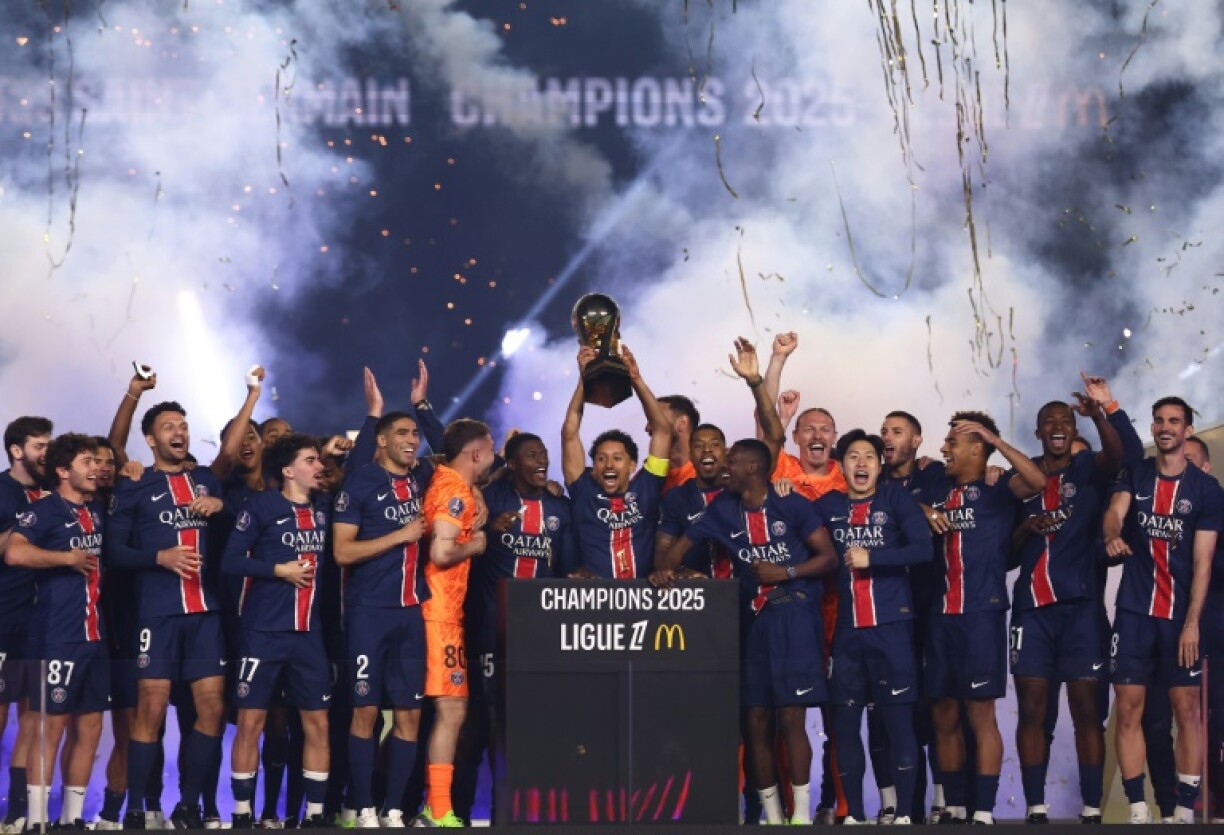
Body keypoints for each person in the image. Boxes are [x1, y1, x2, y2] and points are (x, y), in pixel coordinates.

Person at [656, 436, 837, 825]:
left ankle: (800, 817)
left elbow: (828, 558)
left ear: (753, 468)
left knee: (791, 718)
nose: (724, 465)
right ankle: (773, 817)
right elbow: (684, 544)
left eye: (732, 461)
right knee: (754, 719)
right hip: (753, 622)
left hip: (795, 619)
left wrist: (786, 572)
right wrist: (665, 569)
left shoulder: (792, 505)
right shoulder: (722, 509)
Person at [1008, 375, 1125, 824]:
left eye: (1063, 421)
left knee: (1085, 713)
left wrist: (1097, 413)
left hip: (1082, 613)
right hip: (1032, 612)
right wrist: (1025, 528)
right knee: (1034, 710)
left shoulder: (1089, 472)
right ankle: (1036, 808)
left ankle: (1092, 809)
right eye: (1048, 422)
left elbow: (1116, 454)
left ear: (1072, 431)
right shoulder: (1022, 483)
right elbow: (1005, 555)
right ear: (1037, 433)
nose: (1057, 426)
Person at [107, 400, 228, 829]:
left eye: (183, 425)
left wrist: (219, 504)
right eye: (168, 426)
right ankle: (138, 808)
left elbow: (232, 513)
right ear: (151, 439)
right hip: (156, 613)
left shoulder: (207, 480)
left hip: (204, 613)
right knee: (151, 708)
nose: (179, 432)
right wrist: (158, 556)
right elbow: (113, 551)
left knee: (212, 710)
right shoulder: (134, 484)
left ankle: (189, 805)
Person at [919, 412, 1044, 824]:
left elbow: (1038, 482)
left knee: (980, 714)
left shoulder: (999, 487)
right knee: (943, 712)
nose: (944, 448)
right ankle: (954, 805)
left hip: (981, 614)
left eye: (953, 442)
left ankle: (985, 810)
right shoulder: (936, 483)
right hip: (940, 615)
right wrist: (920, 505)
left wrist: (997, 441)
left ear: (977, 448)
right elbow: (894, 493)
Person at [1103, 396, 1223, 824]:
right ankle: (1138, 810)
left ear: (1188, 430)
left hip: (1178, 619)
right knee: (1130, 707)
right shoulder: (1134, 474)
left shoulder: (1207, 491)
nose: (1165, 427)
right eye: (1159, 420)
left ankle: (1185, 813)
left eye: (1174, 421)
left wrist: (1193, 623)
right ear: (1153, 428)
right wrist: (1113, 535)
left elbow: (1203, 563)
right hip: (1134, 612)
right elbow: (1114, 515)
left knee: (1187, 710)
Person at [452, 432, 574, 823]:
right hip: (488, 631)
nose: (541, 461)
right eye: (531, 455)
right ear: (513, 463)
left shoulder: (560, 507)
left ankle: (518, 816)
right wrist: (488, 532)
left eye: (544, 455)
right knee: (478, 729)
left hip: (538, 638)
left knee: (526, 731)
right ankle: (459, 812)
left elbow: (567, 568)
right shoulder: (492, 501)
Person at [815, 430, 932, 825]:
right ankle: (856, 816)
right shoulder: (827, 505)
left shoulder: (896, 499)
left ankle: (901, 815)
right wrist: (780, 487)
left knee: (899, 723)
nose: (861, 464)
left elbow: (923, 549)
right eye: (852, 457)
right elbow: (794, 528)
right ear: (840, 464)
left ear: (880, 465)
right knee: (846, 726)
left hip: (893, 629)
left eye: (869, 456)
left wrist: (874, 557)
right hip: (848, 635)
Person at [222, 435, 334, 829]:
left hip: (309, 635)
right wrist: (277, 570)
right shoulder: (261, 506)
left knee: (317, 724)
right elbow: (231, 561)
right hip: (263, 633)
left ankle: (316, 816)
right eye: (310, 460)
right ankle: (241, 814)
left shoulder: (324, 509)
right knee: (251, 723)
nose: (318, 465)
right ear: (288, 471)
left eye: (319, 459)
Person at [331, 409, 430, 829]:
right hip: (368, 613)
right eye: (403, 433)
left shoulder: (423, 477)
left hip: (411, 614)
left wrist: (479, 500)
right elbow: (342, 552)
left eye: (416, 433)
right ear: (383, 441)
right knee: (366, 712)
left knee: (410, 714)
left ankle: (393, 809)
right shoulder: (360, 483)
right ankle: (364, 806)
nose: (412, 440)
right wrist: (400, 536)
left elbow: (465, 464)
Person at [6, 434, 109, 829]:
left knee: (91, 727)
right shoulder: (44, 510)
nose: (95, 468)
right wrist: (65, 557)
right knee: (52, 727)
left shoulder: (98, 510)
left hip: (95, 636)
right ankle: (36, 821)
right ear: (63, 471)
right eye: (87, 462)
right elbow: (15, 552)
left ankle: (72, 820)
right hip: (55, 635)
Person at [415, 420, 495, 827]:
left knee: (440, 712)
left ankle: (431, 807)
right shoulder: (454, 492)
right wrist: (476, 544)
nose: (495, 455)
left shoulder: (450, 482)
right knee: (451, 710)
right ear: (476, 454)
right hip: (440, 613)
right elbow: (442, 552)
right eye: (492, 447)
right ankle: (439, 809)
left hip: (441, 611)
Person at [561, 344, 672, 578]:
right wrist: (584, 379)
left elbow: (663, 431)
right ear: (593, 468)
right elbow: (570, 432)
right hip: (595, 602)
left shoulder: (647, 487)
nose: (609, 465)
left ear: (632, 465)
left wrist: (636, 379)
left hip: (641, 600)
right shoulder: (583, 491)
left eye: (617, 458)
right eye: (601, 459)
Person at [0, 416, 53, 833]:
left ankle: (17, 811)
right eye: (40, 446)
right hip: (5, 618)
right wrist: (34, 520)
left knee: (35, 717)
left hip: (46, 622)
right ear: (17, 450)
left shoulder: (55, 492)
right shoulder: (2, 490)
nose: (47, 454)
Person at [649, 395, 700, 492]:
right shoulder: (647, 476)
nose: (647, 428)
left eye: (656, 420)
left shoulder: (706, 476)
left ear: (682, 423)